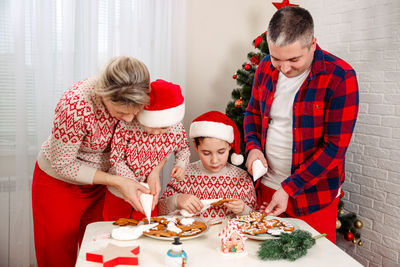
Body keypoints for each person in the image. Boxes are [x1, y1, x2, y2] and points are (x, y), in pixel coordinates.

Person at [244, 6, 359, 244]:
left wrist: (289, 188)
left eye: (294, 59)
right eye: (277, 58)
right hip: (267, 186)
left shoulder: (340, 77)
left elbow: (334, 149)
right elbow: (253, 113)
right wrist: (253, 147)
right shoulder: (265, 68)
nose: (284, 68)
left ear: (313, 44)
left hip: (313, 196)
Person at [31, 56, 156, 267]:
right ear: (103, 94)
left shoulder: (138, 95)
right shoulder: (75, 106)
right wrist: (116, 181)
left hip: (100, 185)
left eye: (135, 113)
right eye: (121, 113)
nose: (128, 119)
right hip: (58, 185)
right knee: (57, 257)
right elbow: (62, 164)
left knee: (101, 252)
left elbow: (161, 137)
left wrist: (154, 172)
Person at [103, 79, 190, 221]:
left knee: (146, 228)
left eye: (162, 128)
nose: (156, 133)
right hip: (119, 192)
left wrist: (180, 165)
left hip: (150, 191)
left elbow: (183, 149)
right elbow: (116, 158)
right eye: (150, 126)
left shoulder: (176, 128)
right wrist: (132, 183)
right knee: (113, 226)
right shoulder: (128, 125)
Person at [158, 111, 257, 222]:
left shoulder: (242, 178)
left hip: (229, 238)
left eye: (221, 152)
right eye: (206, 153)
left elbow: (256, 216)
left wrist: (243, 209)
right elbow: (160, 210)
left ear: (230, 146)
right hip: (192, 236)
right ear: (196, 147)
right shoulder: (184, 174)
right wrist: (176, 201)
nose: (214, 161)